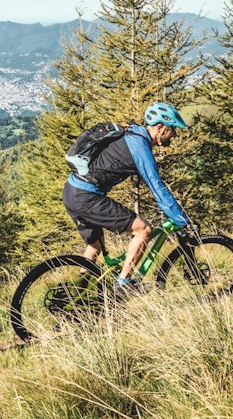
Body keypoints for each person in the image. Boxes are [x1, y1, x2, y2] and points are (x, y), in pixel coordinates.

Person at [62, 102, 189, 292]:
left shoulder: (132, 132)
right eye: (173, 130)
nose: (175, 135)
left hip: (72, 191)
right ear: (160, 128)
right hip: (86, 197)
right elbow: (157, 187)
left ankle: (78, 296)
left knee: (95, 247)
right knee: (144, 230)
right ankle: (124, 283)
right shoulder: (140, 149)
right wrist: (180, 218)